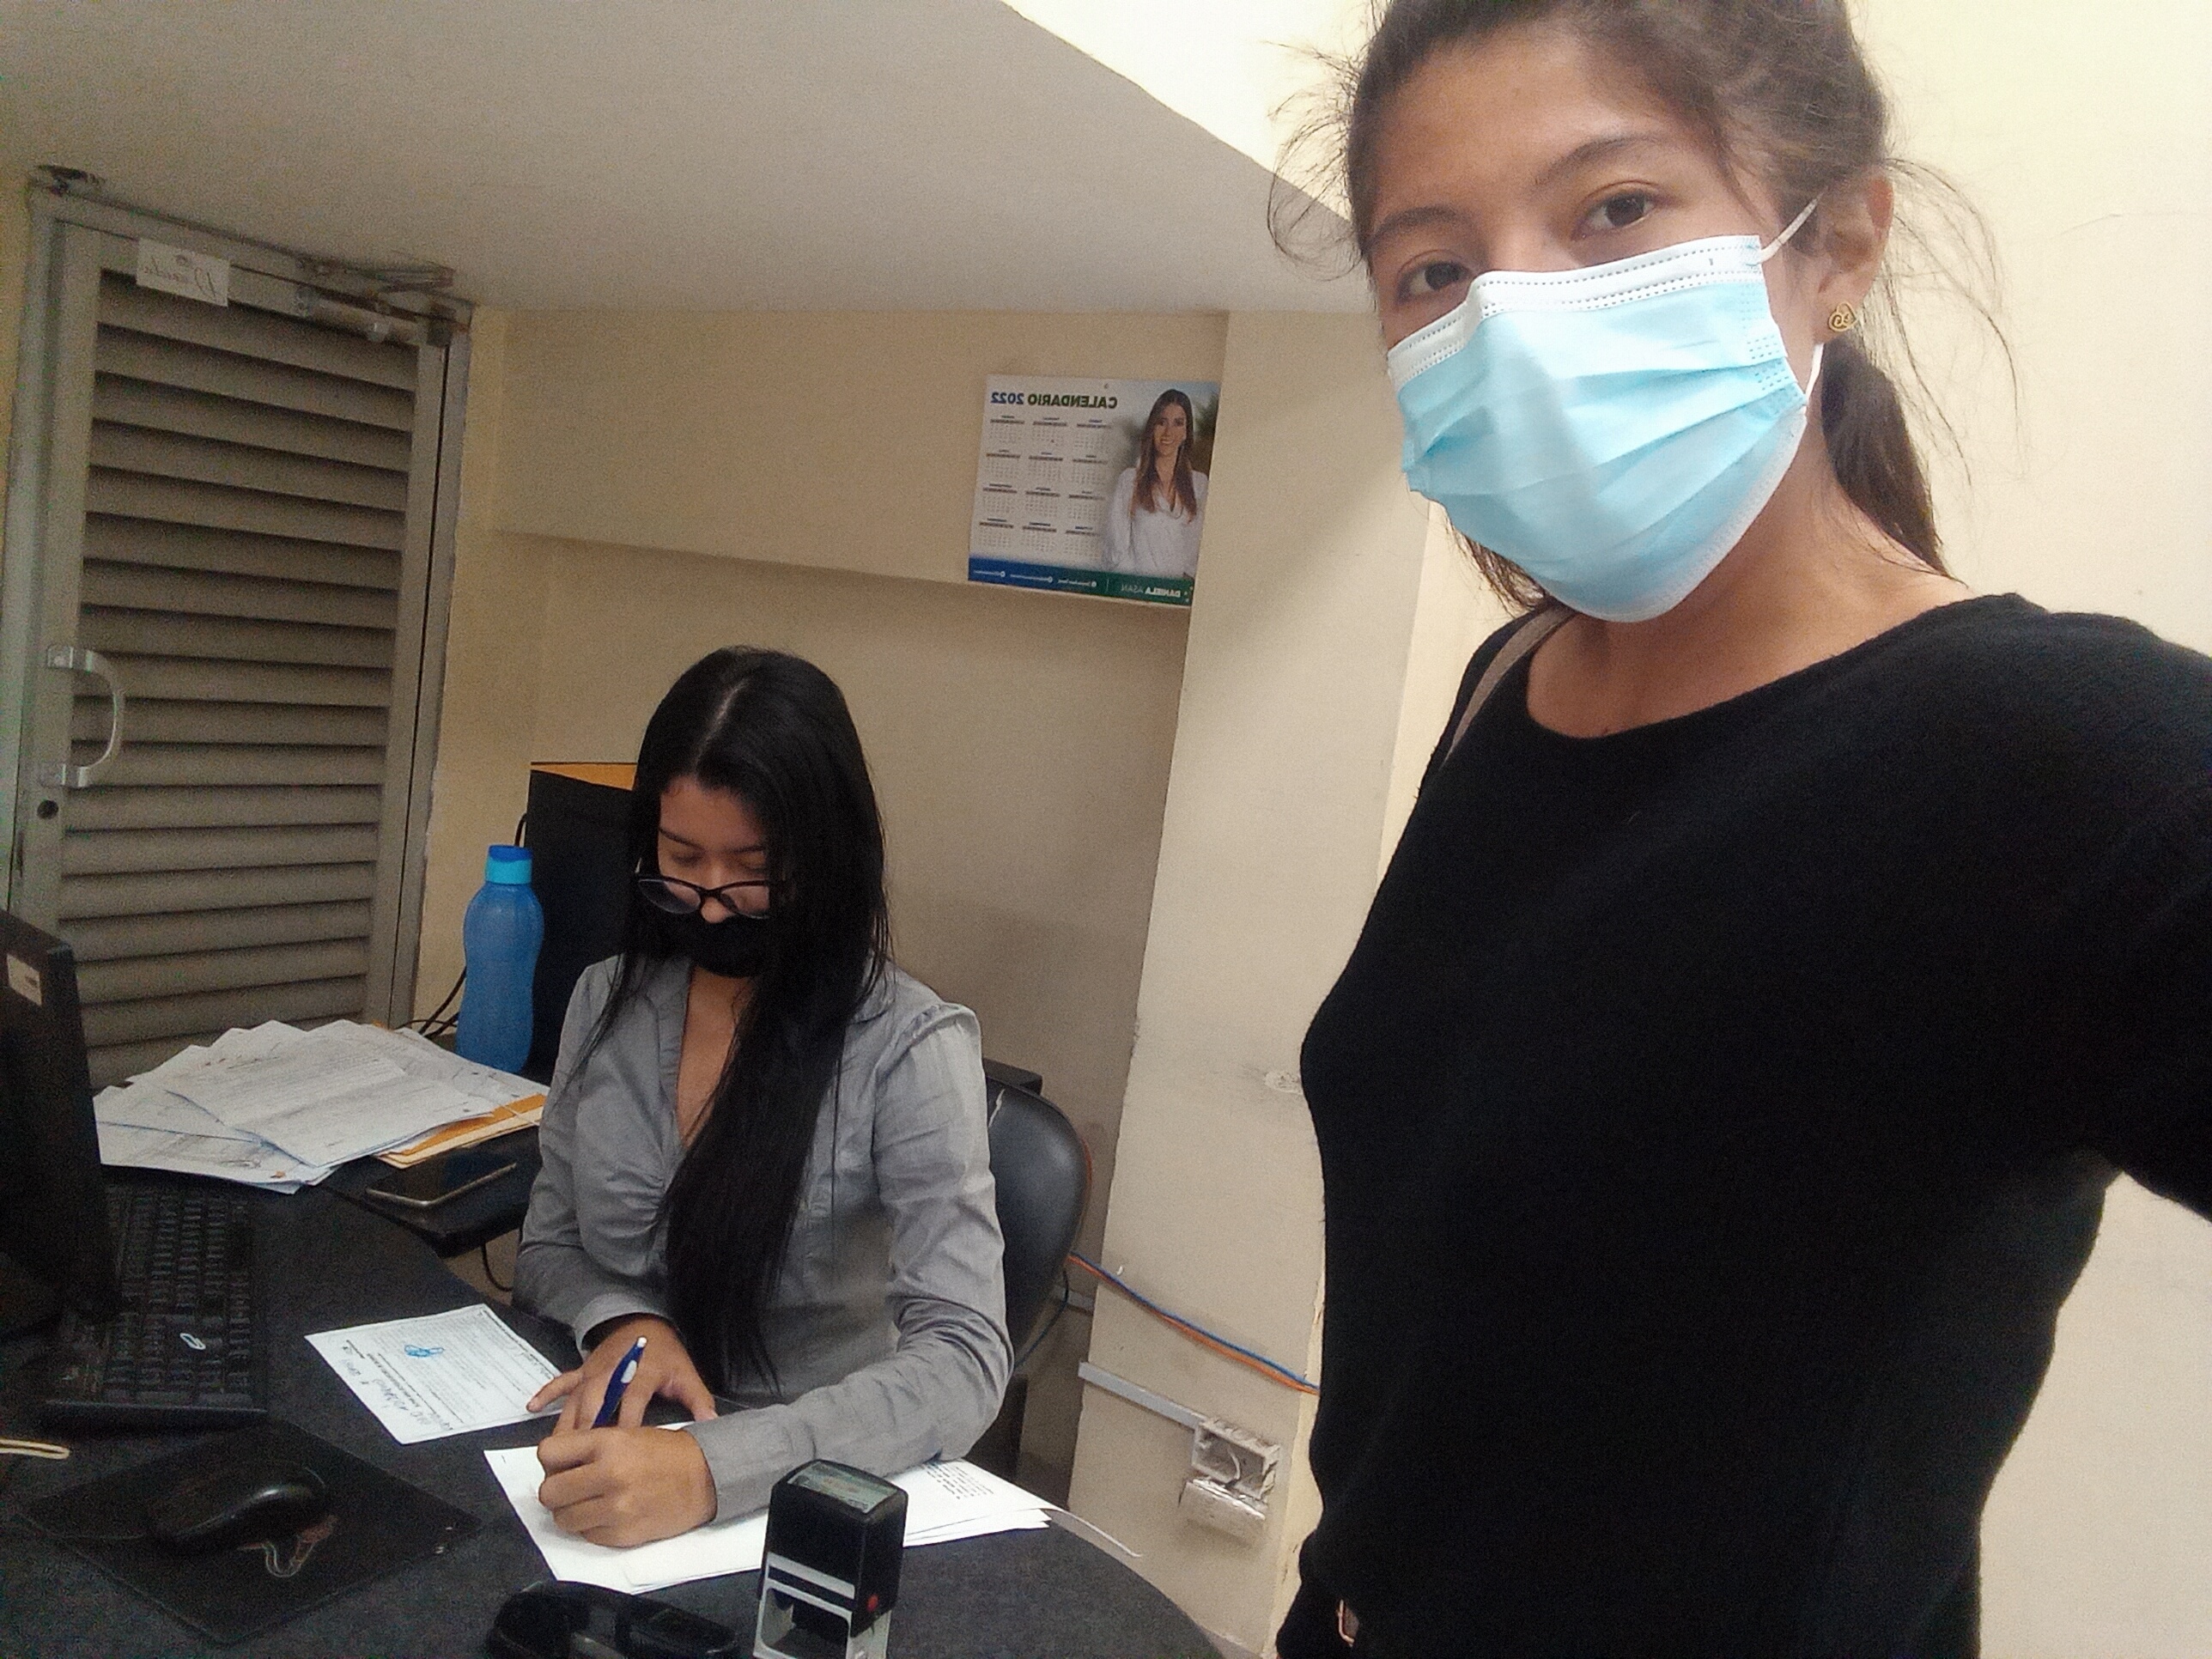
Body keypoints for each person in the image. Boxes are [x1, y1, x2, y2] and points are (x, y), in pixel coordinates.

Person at [1276, 3, 2212, 1656]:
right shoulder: (1510, 687)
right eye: (1433, 270)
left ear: (1836, 242)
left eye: (1613, 209)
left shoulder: (2061, 756)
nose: (1512, 318)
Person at [514, 647, 1009, 1547]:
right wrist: (629, 1322)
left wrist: (713, 1469)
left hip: (804, 1477)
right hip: (616, 1441)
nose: (709, 904)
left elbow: (965, 1355)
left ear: (828, 859)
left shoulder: (908, 1046)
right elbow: (549, 1245)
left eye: (751, 869)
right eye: (681, 858)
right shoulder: (606, 1000)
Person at [1102, 388, 1209, 579]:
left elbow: (1196, 556)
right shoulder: (1130, 481)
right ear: (1152, 428)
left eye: (1178, 423)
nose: (1168, 432)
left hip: (1177, 592)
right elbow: (1115, 553)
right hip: (1135, 588)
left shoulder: (1199, 484)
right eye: (1161, 422)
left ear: (1186, 432)